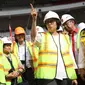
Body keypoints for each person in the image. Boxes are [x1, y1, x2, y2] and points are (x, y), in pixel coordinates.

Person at [30, 4, 77, 85]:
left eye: (51, 22)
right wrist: (34, 20)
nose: (49, 24)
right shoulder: (42, 36)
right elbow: (33, 37)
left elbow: (70, 57)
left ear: (57, 23)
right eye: (47, 22)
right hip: (48, 77)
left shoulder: (65, 37)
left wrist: (74, 77)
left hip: (65, 74)